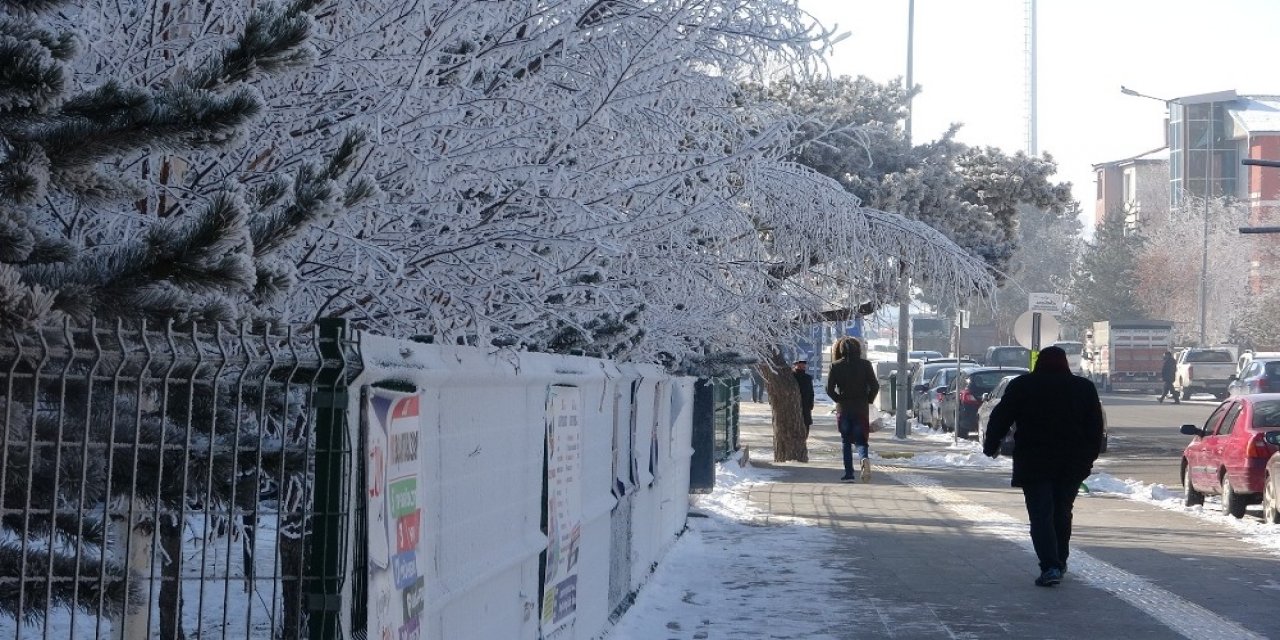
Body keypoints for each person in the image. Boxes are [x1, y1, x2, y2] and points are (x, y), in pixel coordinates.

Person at [982, 346, 1104, 588]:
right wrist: (1088, 459)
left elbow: (1001, 416)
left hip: (1034, 461)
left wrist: (992, 444)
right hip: (1071, 463)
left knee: (1040, 514)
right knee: (1062, 512)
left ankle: (1050, 565)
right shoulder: (1083, 388)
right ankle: (1060, 560)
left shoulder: (1023, 385)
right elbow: (1095, 428)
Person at [825, 337, 879, 483]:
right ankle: (864, 458)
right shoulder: (865, 365)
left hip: (844, 409)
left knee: (846, 441)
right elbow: (875, 386)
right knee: (861, 439)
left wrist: (838, 399)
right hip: (861, 408)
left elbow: (829, 389)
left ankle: (849, 474)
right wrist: (868, 400)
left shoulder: (835, 366)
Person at [792, 359, 815, 439]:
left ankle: (804, 440)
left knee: (806, 424)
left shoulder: (808, 378)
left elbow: (811, 392)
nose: (802, 367)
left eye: (803, 366)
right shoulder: (791, 376)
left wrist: (811, 403)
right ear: (795, 366)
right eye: (799, 366)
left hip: (805, 405)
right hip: (793, 405)